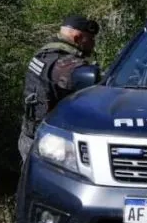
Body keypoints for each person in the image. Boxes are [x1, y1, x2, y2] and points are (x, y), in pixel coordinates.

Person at [19, 15, 100, 163]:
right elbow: (93, 80)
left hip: (32, 135)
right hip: (49, 143)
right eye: (90, 39)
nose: (93, 44)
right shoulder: (63, 64)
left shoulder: (46, 53)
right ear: (77, 38)